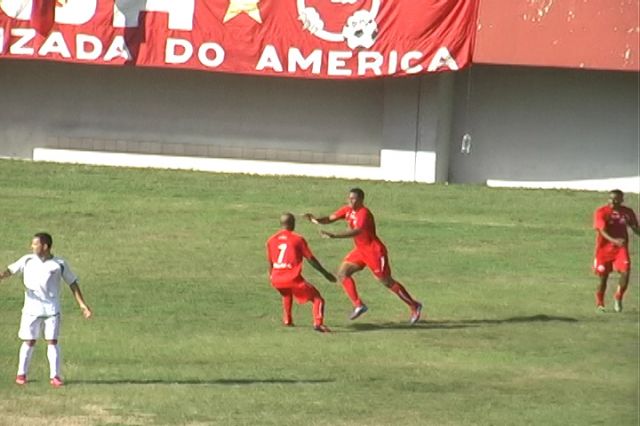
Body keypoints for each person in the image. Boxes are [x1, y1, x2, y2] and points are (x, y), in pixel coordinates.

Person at [304, 188, 423, 324]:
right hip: (361, 251)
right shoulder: (347, 210)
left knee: (386, 281)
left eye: (354, 199)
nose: (350, 201)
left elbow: (356, 231)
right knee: (342, 273)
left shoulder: (364, 214)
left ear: (361, 200)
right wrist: (315, 220)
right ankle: (358, 305)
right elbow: (330, 218)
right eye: (349, 198)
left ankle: (414, 305)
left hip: (375, 252)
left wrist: (334, 235)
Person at [0, 232, 92, 387]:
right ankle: (21, 374)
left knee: (52, 341)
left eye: (35, 244)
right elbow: (10, 270)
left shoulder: (59, 264)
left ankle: (55, 376)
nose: (32, 246)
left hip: (51, 310)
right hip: (31, 309)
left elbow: (73, 283)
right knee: (29, 341)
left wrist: (83, 305)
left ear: (45, 246)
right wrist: (2, 275)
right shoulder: (27, 260)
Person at [266, 213, 336, 332]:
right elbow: (311, 259)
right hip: (292, 278)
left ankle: (287, 320)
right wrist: (325, 273)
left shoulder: (271, 240)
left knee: (286, 293)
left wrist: (272, 276)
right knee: (317, 298)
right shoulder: (297, 239)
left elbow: (270, 262)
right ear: (292, 224)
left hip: (276, 278)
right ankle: (318, 323)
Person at [592, 190, 639, 312]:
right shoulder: (602, 212)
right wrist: (614, 241)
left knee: (626, 272)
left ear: (621, 200)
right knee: (603, 278)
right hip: (604, 250)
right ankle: (600, 304)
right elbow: (601, 230)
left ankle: (618, 297)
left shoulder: (627, 212)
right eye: (610, 199)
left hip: (620, 249)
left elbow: (635, 228)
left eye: (616, 199)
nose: (612, 201)